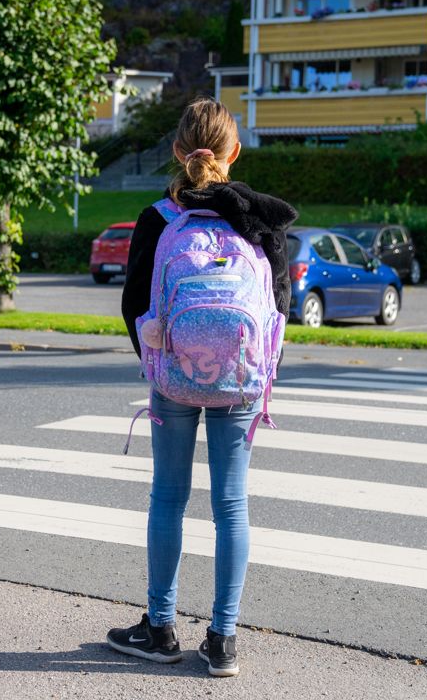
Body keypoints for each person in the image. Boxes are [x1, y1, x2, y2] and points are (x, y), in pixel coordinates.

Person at [107, 97, 297, 676]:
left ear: (175, 151)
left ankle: (159, 627)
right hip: (240, 382)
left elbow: (133, 302)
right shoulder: (260, 223)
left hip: (174, 381)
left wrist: (162, 362)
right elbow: (280, 308)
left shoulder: (158, 219)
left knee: (168, 497)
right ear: (234, 152)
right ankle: (223, 640)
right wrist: (256, 368)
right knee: (231, 505)